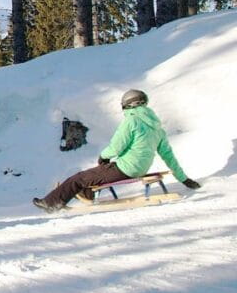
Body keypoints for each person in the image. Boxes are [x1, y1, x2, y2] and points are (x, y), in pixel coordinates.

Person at [33, 89, 201, 213]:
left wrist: (103, 156)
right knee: (93, 175)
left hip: (124, 168)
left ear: (127, 105)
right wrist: (184, 179)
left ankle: (52, 203)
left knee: (78, 178)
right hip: (140, 168)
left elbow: (117, 146)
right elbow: (168, 156)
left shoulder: (132, 121)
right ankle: (85, 194)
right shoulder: (157, 128)